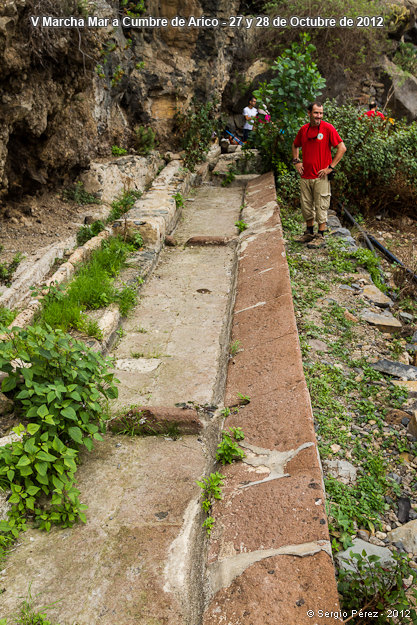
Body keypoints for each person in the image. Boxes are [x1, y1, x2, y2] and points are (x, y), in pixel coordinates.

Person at [292, 102, 346, 247]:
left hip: (321, 177)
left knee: (321, 206)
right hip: (305, 176)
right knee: (306, 206)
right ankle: (309, 233)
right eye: (316, 113)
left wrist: (330, 167)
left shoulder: (328, 128)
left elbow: (342, 148)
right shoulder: (303, 130)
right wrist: (297, 161)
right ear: (309, 113)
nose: (319, 116)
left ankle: (320, 235)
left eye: (321, 113)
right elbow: (295, 144)